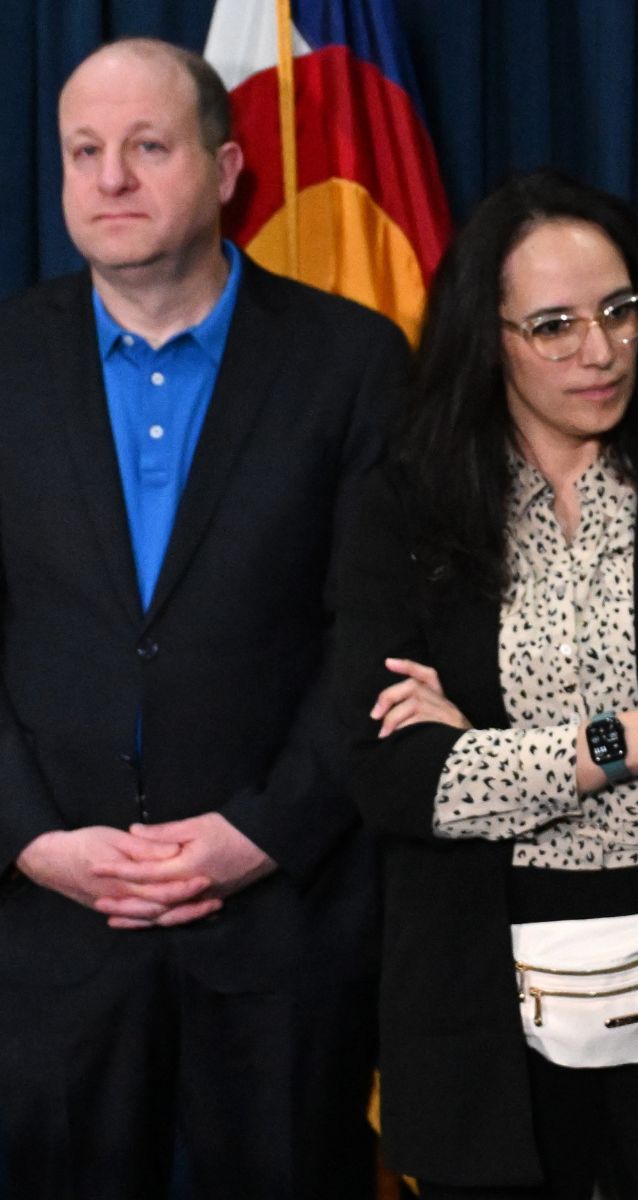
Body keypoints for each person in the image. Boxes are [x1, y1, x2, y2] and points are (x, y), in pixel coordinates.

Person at [334, 170, 638, 1198]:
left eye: (616, 313)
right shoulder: (404, 511)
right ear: (486, 334)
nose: (597, 352)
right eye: (552, 325)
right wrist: (633, 741)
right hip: (477, 1026)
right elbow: (393, 783)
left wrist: (486, 765)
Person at [0, 38, 404, 1198]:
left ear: (228, 167)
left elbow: (374, 638)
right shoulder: (7, 360)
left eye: (146, 146)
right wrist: (29, 838)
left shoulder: (353, 361)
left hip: (282, 919)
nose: (111, 177)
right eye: (85, 151)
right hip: (51, 921)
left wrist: (263, 832)